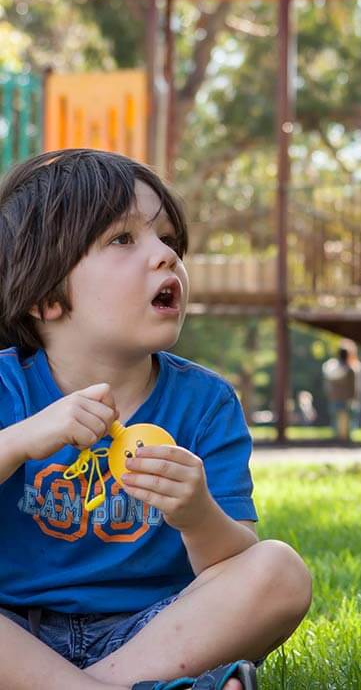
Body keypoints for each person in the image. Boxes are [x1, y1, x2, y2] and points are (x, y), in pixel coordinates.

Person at [0, 149, 312, 690]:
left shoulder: (206, 403)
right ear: (48, 297)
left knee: (279, 570)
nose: (165, 255)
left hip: (149, 634)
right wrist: (21, 440)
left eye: (168, 238)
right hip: (14, 634)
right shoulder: (7, 387)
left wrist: (196, 513)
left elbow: (232, 561)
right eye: (124, 239)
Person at [321, 339, 361, 440]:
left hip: (336, 398)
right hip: (347, 398)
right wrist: (356, 397)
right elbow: (356, 386)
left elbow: (328, 384)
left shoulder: (331, 367)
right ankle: (344, 438)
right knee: (346, 420)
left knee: (339, 420)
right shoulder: (352, 368)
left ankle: (340, 437)